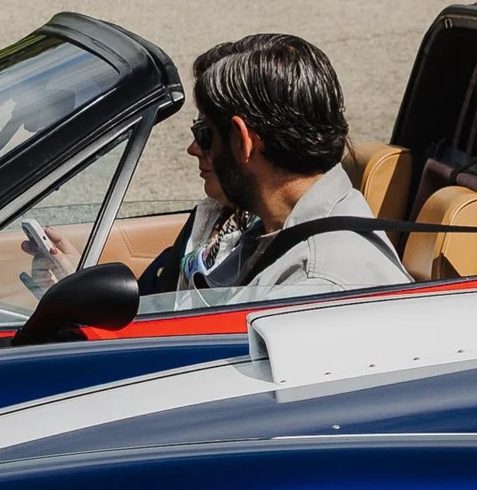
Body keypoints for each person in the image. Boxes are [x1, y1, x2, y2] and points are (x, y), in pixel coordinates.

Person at [141, 34, 410, 301]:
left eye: (204, 134)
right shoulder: (273, 227)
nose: (193, 148)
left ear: (243, 141)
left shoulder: (311, 287)